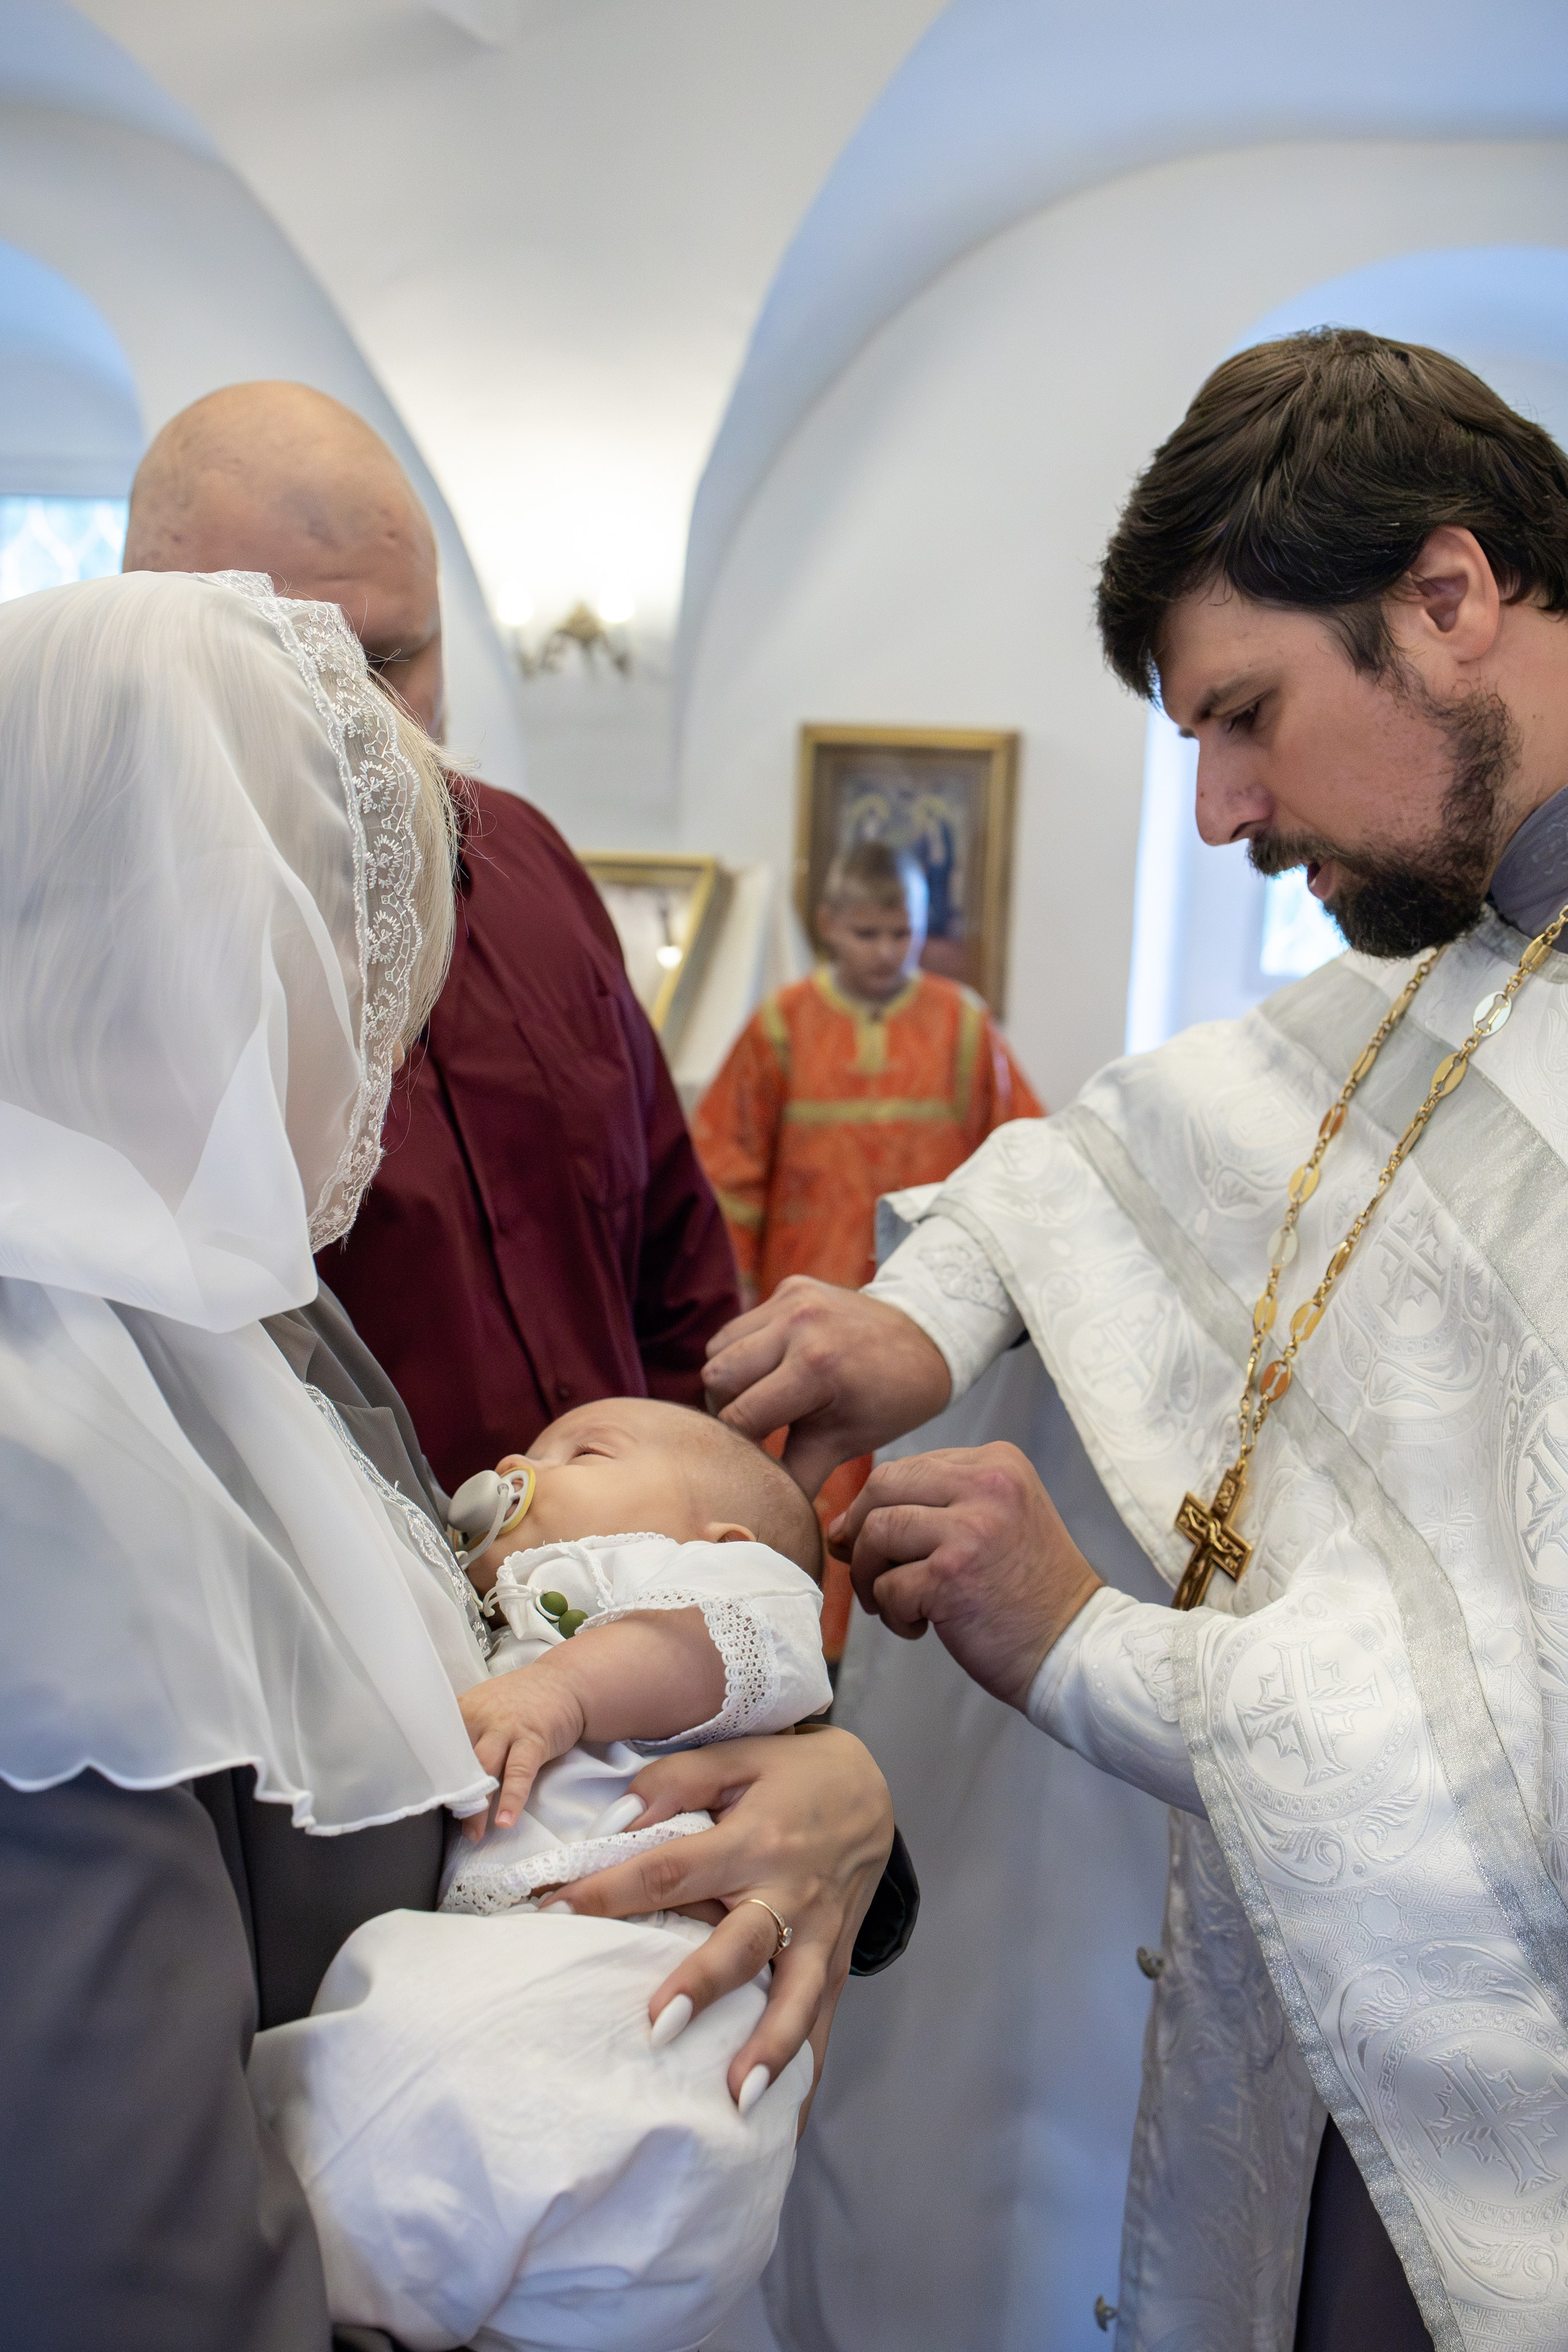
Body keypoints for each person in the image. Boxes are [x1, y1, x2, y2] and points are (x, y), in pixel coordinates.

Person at [701, 330, 1568, 2352]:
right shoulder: (1456, 950)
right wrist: (918, 1321)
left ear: (1449, 596)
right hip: (1305, 2023)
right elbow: (1109, 1158)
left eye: (1245, 716)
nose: (1217, 809)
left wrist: (1088, 1646)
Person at [0, 568, 896, 2352]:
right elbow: (128, 2256)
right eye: (337, 955)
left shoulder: (265, 1328)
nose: (381, 1049)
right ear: (172, 942)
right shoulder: (43, 1454)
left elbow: (537, 1622)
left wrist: (817, 1782)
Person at [123, 382, 739, 1488]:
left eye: (398, 658)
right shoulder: (108, 950)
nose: (370, 725)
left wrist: (692, 1518)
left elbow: (673, 1254)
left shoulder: (531, 864)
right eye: (306, 667)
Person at [254, 1396, 833, 2351]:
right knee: (396, 2050)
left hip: (646, 1970)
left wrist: (562, 1690)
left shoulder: (714, 1582)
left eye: (586, 1452)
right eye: (532, 1448)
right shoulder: (497, 1616)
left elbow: (728, 1644)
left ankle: (289, 2264)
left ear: (720, 1538)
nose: (523, 1464)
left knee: (394, 2078)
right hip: (545, 1997)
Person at [693, 835, 1040, 1654]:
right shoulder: (781, 1028)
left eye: (902, 933)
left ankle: (895, 1670)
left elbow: (1022, 1165)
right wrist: (733, 1292)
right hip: (804, 1314)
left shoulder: (962, 1028)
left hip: (923, 1321)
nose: (886, 951)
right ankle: (786, 1654)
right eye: (866, 933)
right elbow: (726, 1174)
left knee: (918, 1487)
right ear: (828, 925)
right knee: (794, 1489)